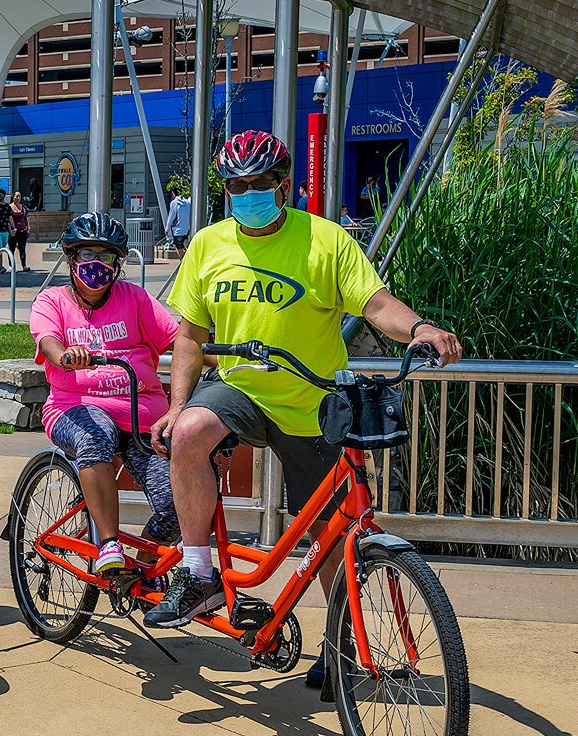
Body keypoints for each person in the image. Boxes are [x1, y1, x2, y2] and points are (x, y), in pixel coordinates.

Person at [146, 130, 462, 688]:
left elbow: (376, 304)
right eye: (237, 186)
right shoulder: (208, 244)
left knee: (332, 534)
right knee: (190, 432)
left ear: (282, 186)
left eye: (259, 184)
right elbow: (190, 338)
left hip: (314, 401)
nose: (248, 194)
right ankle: (197, 573)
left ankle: (339, 645)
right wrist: (175, 406)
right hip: (241, 389)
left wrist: (419, 328)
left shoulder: (326, 240)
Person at [30, 212, 179, 575]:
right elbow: (48, 341)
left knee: (177, 506)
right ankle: (109, 543)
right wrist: (64, 356)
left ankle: (141, 571)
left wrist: (219, 357)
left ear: (117, 263)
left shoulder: (136, 299)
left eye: (106, 256)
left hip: (143, 417)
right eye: (86, 255)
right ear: (71, 259)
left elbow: (179, 341)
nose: (96, 265)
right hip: (75, 407)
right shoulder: (52, 301)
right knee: (96, 435)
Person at [166, 184, 191, 256]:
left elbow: (171, 217)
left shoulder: (174, 203)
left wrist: (167, 228)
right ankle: (184, 260)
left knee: (179, 247)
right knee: (180, 245)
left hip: (178, 229)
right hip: (187, 228)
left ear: (173, 193)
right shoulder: (187, 202)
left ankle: (183, 262)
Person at [9, 191, 32, 270]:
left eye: (19, 196)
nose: (18, 198)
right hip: (13, 232)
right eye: (16, 196)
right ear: (13, 197)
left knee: (22, 249)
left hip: (23, 231)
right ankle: (11, 266)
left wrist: (28, 228)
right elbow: (7, 220)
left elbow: (27, 217)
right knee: (11, 249)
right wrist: (11, 230)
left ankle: (24, 266)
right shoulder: (9, 207)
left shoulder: (23, 207)